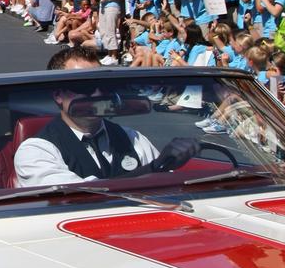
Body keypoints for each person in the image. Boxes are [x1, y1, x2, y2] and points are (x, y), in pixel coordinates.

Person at [12, 46, 195, 188]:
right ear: (58, 94)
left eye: (102, 84)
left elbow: (166, 187)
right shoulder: (36, 151)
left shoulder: (132, 138)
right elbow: (80, 196)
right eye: (84, 85)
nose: (98, 93)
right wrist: (153, 168)